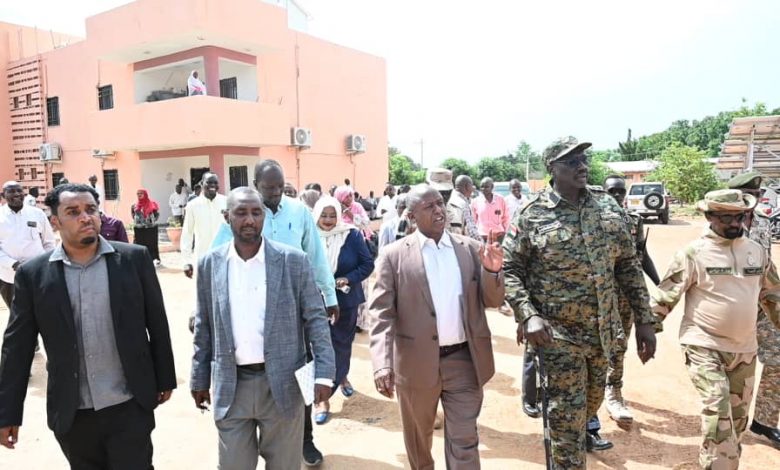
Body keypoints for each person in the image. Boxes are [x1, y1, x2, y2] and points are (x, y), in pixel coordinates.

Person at [503, 137, 658, 468]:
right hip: (558, 337)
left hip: (603, 335)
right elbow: (510, 270)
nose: (582, 166)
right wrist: (528, 315)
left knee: (589, 406)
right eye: (572, 162)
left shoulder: (607, 206)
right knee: (566, 420)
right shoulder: (532, 215)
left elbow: (628, 265)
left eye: (583, 159)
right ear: (552, 168)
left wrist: (645, 320)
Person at [0, 183, 176, 468]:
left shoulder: (133, 259)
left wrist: (165, 377)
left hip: (129, 404)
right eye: (73, 212)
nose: (85, 217)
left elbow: (156, 322)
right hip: (73, 412)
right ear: (54, 222)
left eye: (91, 209)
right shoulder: (34, 275)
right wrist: (7, 412)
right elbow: (17, 347)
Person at [191, 187, 335, 470]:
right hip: (231, 384)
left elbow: (316, 319)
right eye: (241, 213)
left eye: (256, 213)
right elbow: (203, 325)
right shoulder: (210, 264)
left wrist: (324, 374)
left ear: (264, 217)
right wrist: (199, 378)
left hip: (283, 384)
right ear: (227, 217)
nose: (250, 220)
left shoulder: (293, 261)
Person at [369, 184, 505, 469]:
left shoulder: (470, 249)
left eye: (440, 203)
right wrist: (382, 363)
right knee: (419, 441)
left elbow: (492, 301)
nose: (439, 210)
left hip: (464, 362)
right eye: (429, 206)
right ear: (411, 216)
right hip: (415, 366)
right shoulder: (393, 256)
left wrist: (492, 272)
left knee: (465, 440)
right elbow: (381, 314)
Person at [651, 188, 780, 469]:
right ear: (709, 216)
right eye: (726, 217)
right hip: (703, 345)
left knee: (736, 422)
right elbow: (664, 296)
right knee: (718, 413)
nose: (735, 223)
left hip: (745, 350)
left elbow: (773, 296)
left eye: (740, 217)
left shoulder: (756, 252)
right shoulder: (693, 254)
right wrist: (647, 330)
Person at [581, 175, 662, 437]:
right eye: (612, 191)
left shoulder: (633, 220)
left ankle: (613, 390)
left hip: (626, 295)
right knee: (598, 345)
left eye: (620, 192)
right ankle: (591, 399)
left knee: (620, 343)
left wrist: (659, 284)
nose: (617, 196)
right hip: (599, 296)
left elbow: (641, 256)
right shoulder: (590, 219)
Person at [726, 172, 780, 445]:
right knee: (731, 364)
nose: (755, 199)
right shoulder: (721, 223)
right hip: (733, 306)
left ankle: (764, 421)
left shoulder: (763, 222)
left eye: (758, 194)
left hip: (761, 303)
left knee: (777, 358)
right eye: (750, 194)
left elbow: (767, 261)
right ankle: (726, 419)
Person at [311, 197, 374, 424]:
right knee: (318, 348)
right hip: (314, 301)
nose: (328, 220)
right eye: (324, 215)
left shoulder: (351, 235)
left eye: (332, 215)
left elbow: (367, 264)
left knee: (341, 345)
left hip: (345, 301)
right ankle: (323, 397)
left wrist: (348, 278)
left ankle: (335, 384)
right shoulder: (308, 234)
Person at [0, 181, 56, 309]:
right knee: (16, 314)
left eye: (19, 190)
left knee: (42, 311)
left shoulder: (37, 214)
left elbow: (49, 243)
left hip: (38, 274)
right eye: (11, 191)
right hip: (9, 276)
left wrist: (44, 264)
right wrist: (13, 264)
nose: (16, 194)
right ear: (3, 195)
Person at [181, 173, 227, 278]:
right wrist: (186, 261)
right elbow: (187, 233)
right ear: (202, 184)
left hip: (224, 257)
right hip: (202, 258)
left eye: (215, 183)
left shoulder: (226, 202)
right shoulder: (193, 205)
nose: (213, 185)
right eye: (209, 182)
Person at [472, 177, 509, 242]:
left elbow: (506, 217)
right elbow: (474, 220)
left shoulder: (500, 199)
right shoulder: (475, 201)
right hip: (482, 236)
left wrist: (505, 232)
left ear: (492, 187)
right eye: (482, 187)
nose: (483, 189)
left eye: (486, 187)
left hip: (499, 235)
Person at [131, 189, 161, 266]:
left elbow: (157, 215)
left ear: (145, 194)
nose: (139, 195)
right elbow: (133, 215)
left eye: (141, 193)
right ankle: (140, 260)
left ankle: (153, 259)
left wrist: (150, 221)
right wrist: (140, 221)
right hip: (139, 229)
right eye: (138, 193)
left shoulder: (152, 204)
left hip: (150, 229)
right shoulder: (134, 205)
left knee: (152, 244)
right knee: (139, 244)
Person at [446, 175, 481, 240]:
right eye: (471, 186)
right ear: (467, 186)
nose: (472, 189)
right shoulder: (462, 204)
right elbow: (471, 231)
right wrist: (481, 243)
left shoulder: (452, 199)